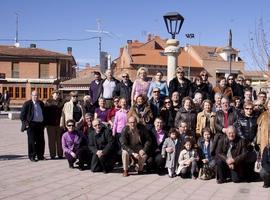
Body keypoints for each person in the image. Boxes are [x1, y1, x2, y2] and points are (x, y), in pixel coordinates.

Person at [234, 101, 258, 181]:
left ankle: (251, 175)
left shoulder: (255, 119)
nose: (249, 110)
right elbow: (239, 131)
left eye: (251, 109)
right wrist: (246, 142)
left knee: (252, 160)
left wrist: (253, 142)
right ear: (244, 109)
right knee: (243, 160)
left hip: (253, 143)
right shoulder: (240, 119)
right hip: (243, 143)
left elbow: (258, 131)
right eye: (247, 109)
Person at [20, 90, 45, 162]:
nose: (35, 97)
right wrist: (26, 124)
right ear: (31, 96)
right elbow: (22, 116)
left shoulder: (41, 103)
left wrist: (44, 123)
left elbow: (44, 113)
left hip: (40, 125)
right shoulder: (27, 104)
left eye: (37, 95)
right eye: (34, 95)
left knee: (40, 141)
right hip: (31, 125)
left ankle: (40, 155)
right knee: (31, 141)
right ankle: (32, 156)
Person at [44, 90, 64, 159]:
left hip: (59, 124)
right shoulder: (48, 102)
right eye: (56, 93)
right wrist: (45, 123)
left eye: (59, 94)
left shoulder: (62, 102)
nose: (57, 95)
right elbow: (45, 114)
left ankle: (60, 154)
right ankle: (52, 155)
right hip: (50, 124)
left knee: (60, 140)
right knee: (51, 140)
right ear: (52, 94)